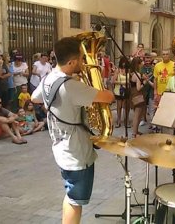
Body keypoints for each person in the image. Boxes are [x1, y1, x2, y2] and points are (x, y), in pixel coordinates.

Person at [31, 36, 114, 224]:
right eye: (82, 59)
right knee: (75, 200)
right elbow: (108, 97)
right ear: (71, 62)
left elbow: (36, 98)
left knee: (71, 194)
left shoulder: (49, 78)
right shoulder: (71, 87)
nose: (84, 63)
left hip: (61, 147)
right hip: (76, 152)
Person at [111, 57, 130, 128]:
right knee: (119, 106)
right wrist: (123, 82)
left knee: (126, 106)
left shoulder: (128, 70)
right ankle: (118, 121)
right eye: (123, 62)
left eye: (125, 62)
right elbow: (113, 81)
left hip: (127, 90)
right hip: (119, 90)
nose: (124, 63)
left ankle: (126, 121)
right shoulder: (117, 70)